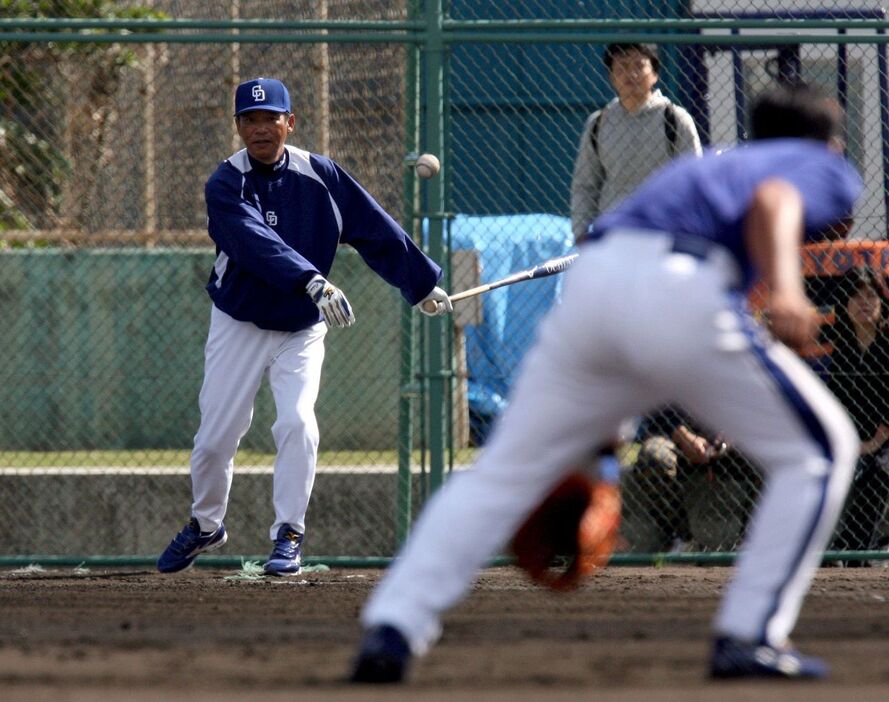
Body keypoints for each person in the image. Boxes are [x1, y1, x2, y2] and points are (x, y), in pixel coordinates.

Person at [349, 82, 862, 683]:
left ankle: (394, 626)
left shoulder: (699, 171)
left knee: (504, 472)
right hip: (680, 282)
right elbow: (776, 198)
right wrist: (790, 293)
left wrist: (600, 457)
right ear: (825, 139)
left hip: (594, 285)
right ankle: (749, 636)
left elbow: (623, 318)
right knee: (821, 451)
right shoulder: (809, 161)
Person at [156, 77, 451, 576]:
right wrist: (312, 279)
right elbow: (252, 242)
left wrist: (420, 284)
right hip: (239, 321)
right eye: (249, 120)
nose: (260, 128)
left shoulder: (322, 176)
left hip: (300, 327)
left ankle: (288, 534)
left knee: (297, 423)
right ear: (238, 128)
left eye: (270, 118)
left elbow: (376, 229)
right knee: (215, 439)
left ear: (290, 123)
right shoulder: (226, 183)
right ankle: (207, 524)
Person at [570, 43, 702, 244]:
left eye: (639, 66)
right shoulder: (598, 123)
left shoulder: (675, 119)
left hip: (664, 232)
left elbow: (693, 180)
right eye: (621, 67)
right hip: (613, 234)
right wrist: (581, 231)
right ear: (611, 76)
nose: (630, 74)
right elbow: (585, 185)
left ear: (655, 74)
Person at [825, 267, 889, 562]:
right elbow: (835, 405)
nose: (864, 302)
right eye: (855, 295)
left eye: (871, 295)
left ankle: (854, 550)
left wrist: (873, 445)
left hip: (882, 442)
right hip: (852, 440)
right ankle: (846, 548)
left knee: (877, 472)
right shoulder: (842, 352)